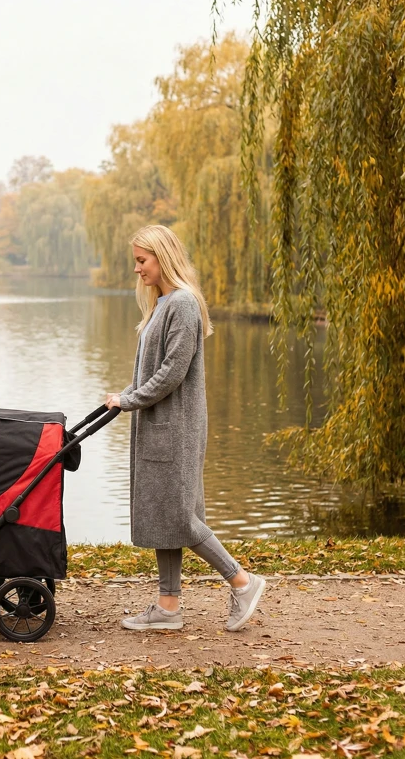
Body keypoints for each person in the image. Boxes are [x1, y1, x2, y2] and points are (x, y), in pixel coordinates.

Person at [105, 224, 265, 632]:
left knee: (180, 516)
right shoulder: (162, 304)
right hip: (158, 426)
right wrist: (124, 394)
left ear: (162, 257)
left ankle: (242, 582)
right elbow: (150, 372)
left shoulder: (183, 304)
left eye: (142, 260)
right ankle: (168, 606)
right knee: (164, 516)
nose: (137, 269)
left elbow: (173, 372)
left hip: (175, 430)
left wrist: (130, 401)